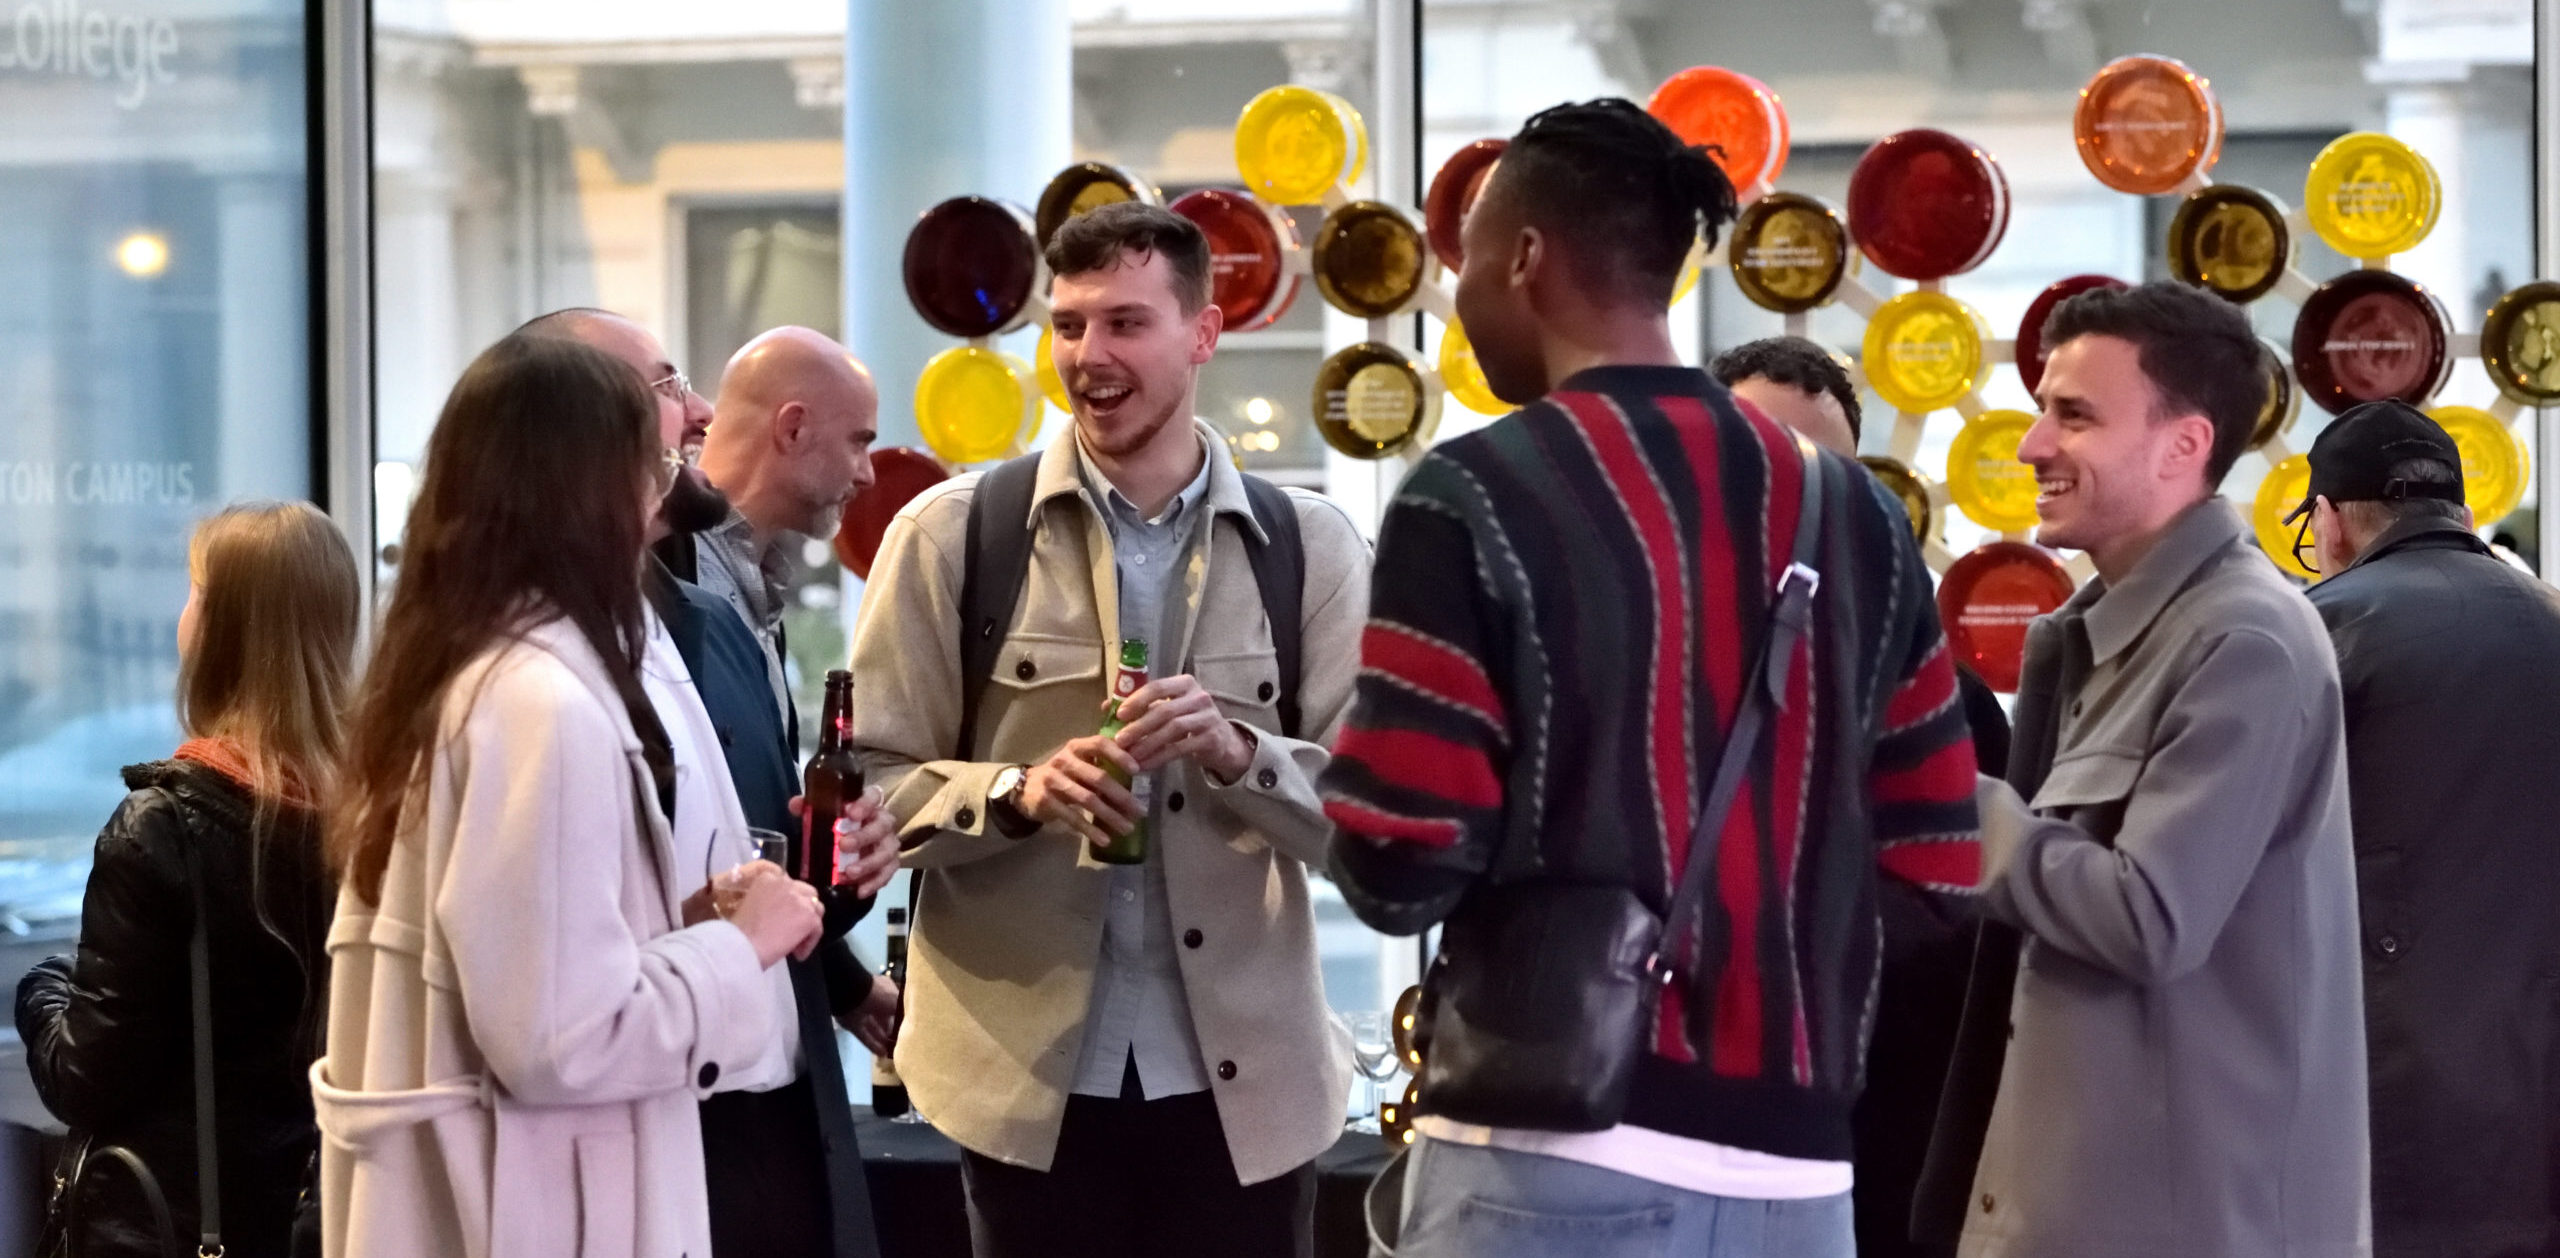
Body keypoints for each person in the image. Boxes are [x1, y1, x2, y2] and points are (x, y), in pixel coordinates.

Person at [1323, 98, 1982, 1258]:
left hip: (1545, 1149)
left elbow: (1398, 855)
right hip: (1800, 1174)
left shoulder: (1473, 494)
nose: (1461, 294)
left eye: (1467, 257)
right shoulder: (1859, 516)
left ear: (1523, 257)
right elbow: (1937, 857)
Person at [851, 200, 1370, 1258]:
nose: (1089, 355)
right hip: (1025, 1091)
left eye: (1126, 323)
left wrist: (1241, 753)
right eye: (1069, 324)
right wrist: (1016, 794)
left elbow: (1373, 821)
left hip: (1247, 1093)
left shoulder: (1309, 547)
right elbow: (865, 796)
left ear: (1204, 334)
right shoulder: (949, 536)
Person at [314, 333, 827, 1258]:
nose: (664, 492)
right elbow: (565, 1037)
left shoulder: (477, 668)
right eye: (656, 463)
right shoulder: (538, 701)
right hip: (535, 1209)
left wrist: (683, 918)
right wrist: (740, 943)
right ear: (590, 489)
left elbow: (513, 966)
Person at [1915, 281, 2367, 1258]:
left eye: (2072, 415)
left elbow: (2150, 915)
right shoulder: (2106, 634)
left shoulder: (2243, 640)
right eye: (2041, 408)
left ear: (2183, 445)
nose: (2033, 444)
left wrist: (1942, 800)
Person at [523, 307, 896, 1258]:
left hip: (761, 1109)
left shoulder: (709, 618)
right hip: (652, 1136)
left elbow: (744, 864)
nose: (696, 411)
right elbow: (559, 1019)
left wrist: (837, 879)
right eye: (665, 386)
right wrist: (758, 930)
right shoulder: (524, 681)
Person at [1710, 334, 2002, 1258]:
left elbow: (1963, 931)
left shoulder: (1942, 693)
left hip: (1883, 1146)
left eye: (1820, 473)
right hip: (1680, 1136)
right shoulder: (1633, 673)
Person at [16, 502, 357, 1258]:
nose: (182, 612)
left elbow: (83, 1077)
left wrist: (40, 989)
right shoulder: (371, 824)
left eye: (194, 590)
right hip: (318, 1224)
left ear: (224, 629)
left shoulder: (162, 829)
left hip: (170, 1229)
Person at [2296, 401, 2560, 1258]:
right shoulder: (2552, 618)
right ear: (2464, 512)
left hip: (2387, 1100)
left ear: (2330, 521)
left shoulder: (2314, 630)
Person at [675, 324, 903, 1058]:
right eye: (859, 442)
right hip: (686, 1040)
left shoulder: (755, 590)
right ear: (794, 428)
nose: (868, 474)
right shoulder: (658, 583)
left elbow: (753, 830)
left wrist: (840, 854)